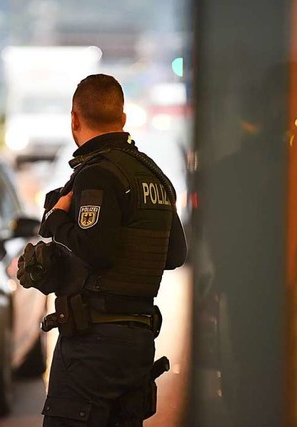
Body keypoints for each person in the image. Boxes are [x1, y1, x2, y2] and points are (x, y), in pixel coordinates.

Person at [17, 74, 187, 426]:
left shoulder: (97, 175)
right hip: (138, 343)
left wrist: (57, 220)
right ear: (122, 119)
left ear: (74, 119)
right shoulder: (154, 176)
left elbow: (96, 251)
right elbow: (175, 255)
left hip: (92, 346)